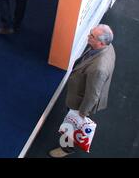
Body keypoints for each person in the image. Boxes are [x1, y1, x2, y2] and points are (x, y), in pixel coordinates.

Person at [49, 24, 116, 158]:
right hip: (82, 93)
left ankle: (66, 148)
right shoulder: (108, 47)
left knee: (72, 125)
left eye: (92, 36)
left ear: (101, 42)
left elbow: (92, 96)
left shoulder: (99, 68)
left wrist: (81, 114)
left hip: (80, 103)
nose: (88, 37)